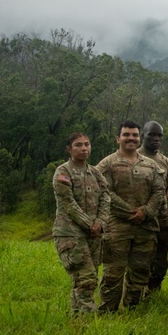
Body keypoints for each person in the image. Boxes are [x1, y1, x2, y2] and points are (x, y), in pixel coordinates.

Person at [95, 120, 165, 311]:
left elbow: (159, 193)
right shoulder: (107, 164)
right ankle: (108, 311)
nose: (131, 138)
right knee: (113, 272)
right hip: (117, 227)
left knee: (141, 270)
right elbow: (105, 193)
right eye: (126, 135)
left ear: (139, 137)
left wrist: (146, 212)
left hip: (145, 227)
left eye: (134, 135)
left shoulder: (151, 166)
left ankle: (133, 308)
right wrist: (129, 212)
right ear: (118, 138)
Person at [52, 132, 110, 314]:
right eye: (78, 145)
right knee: (86, 278)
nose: (84, 148)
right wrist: (89, 224)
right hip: (70, 233)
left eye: (87, 144)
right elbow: (68, 203)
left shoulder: (95, 173)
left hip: (94, 233)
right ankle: (89, 319)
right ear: (69, 149)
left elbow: (106, 198)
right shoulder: (63, 172)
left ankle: (76, 317)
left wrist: (100, 222)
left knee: (85, 277)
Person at [138, 121, 168, 293]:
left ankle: (154, 291)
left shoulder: (164, 161)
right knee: (141, 259)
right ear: (142, 135)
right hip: (141, 219)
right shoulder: (134, 156)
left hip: (163, 220)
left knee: (160, 259)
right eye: (151, 134)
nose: (156, 138)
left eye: (159, 135)